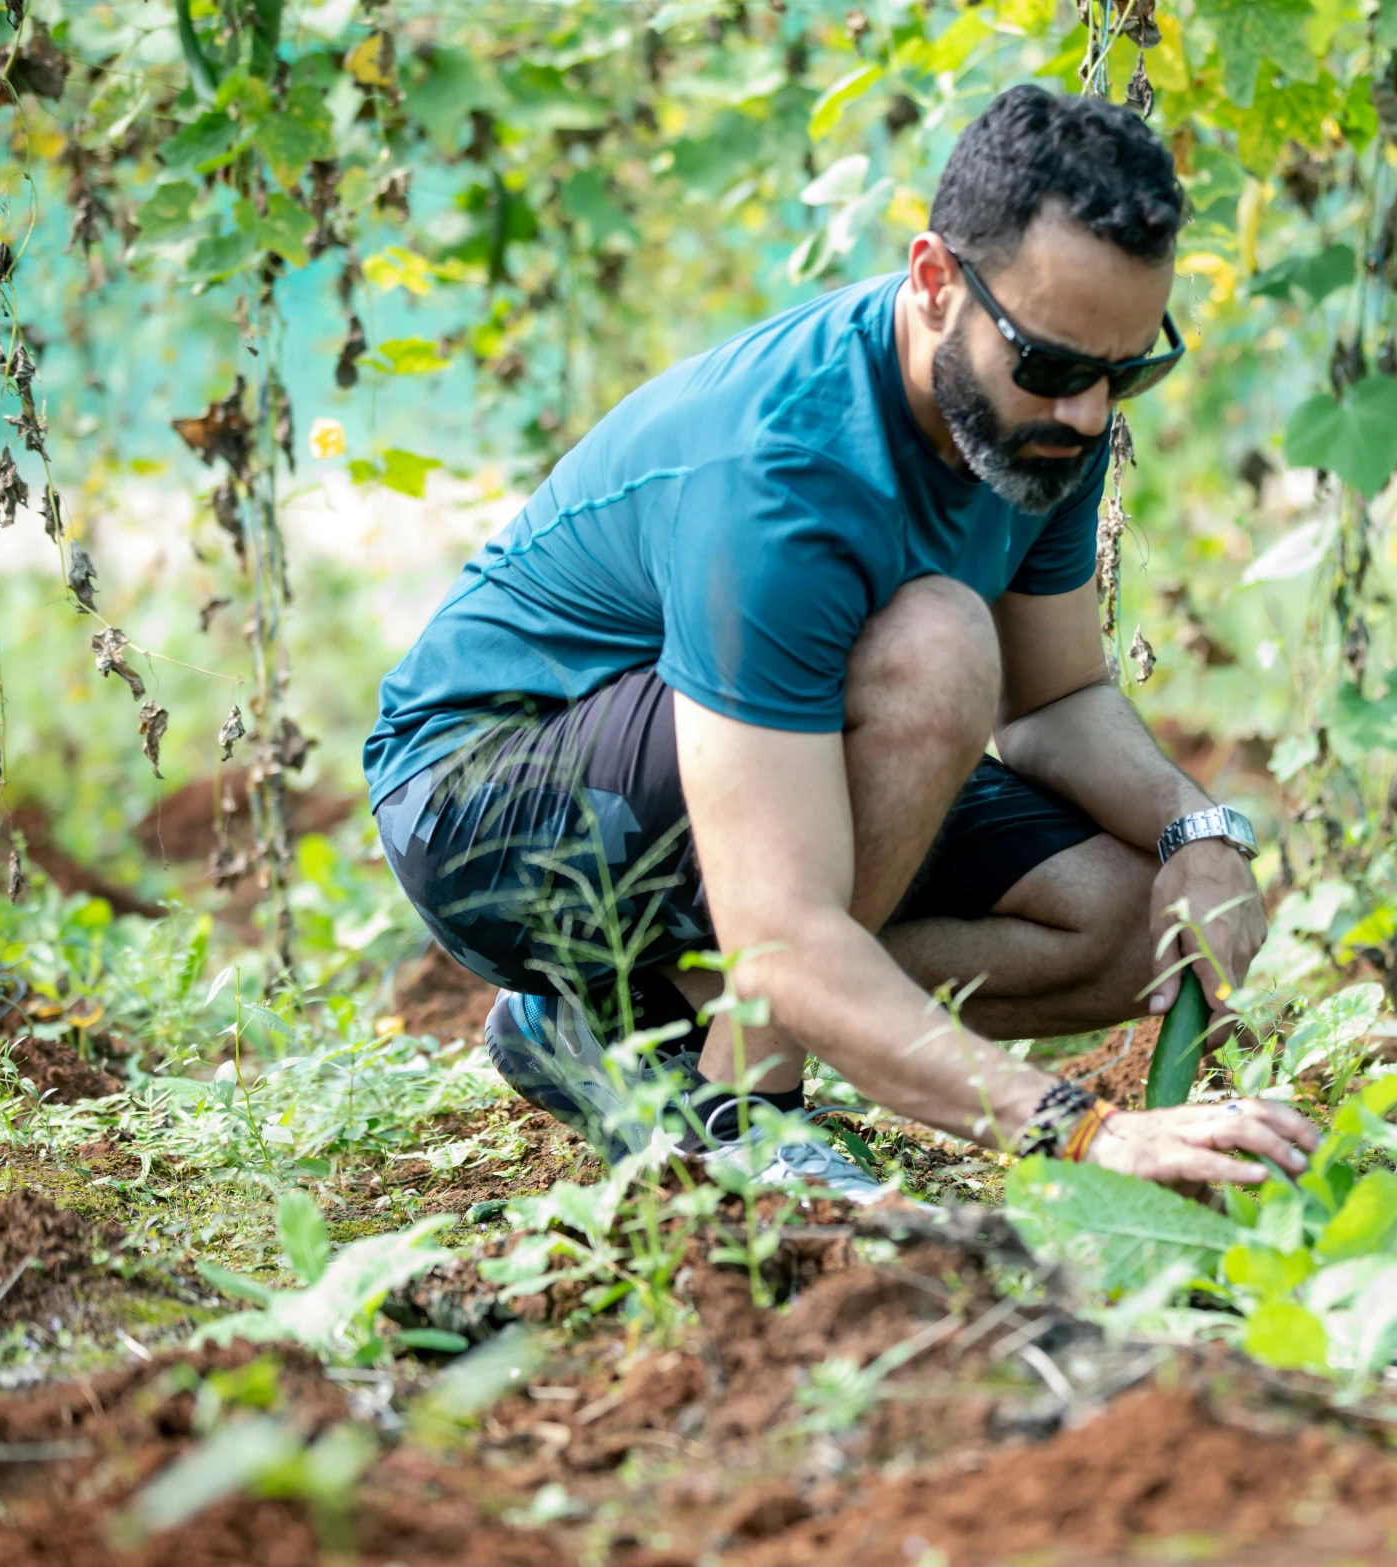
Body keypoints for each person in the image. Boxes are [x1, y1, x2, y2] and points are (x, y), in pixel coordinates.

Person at [364, 86, 1317, 1200]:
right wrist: (1084, 1131)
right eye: (1057, 369)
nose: (1092, 415)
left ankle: (621, 1020)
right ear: (933, 283)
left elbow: (1054, 703)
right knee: (938, 644)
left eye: (1128, 370)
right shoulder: (781, 473)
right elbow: (778, 934)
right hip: (482, 802)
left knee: (1117, 919)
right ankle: (737, 1119)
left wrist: (1193, 830)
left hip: (735, 754)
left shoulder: (1053, 418)